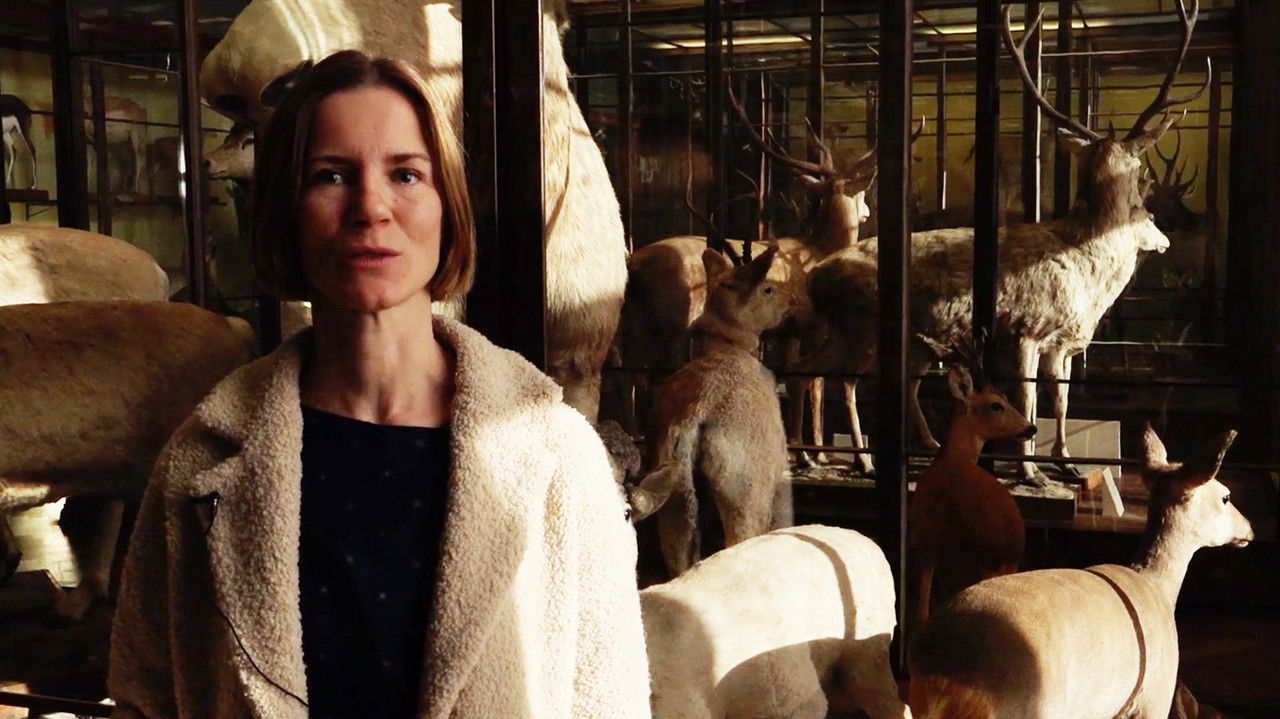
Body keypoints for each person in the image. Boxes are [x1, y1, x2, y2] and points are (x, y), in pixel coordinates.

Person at [108, 50, 650, 719]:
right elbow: (146, 696)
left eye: (406, 174)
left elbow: (608, 697)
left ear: (448, 206)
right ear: (285, 209)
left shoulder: (555, 454)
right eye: (330, 175)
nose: (371, 207)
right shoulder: (201, 460)